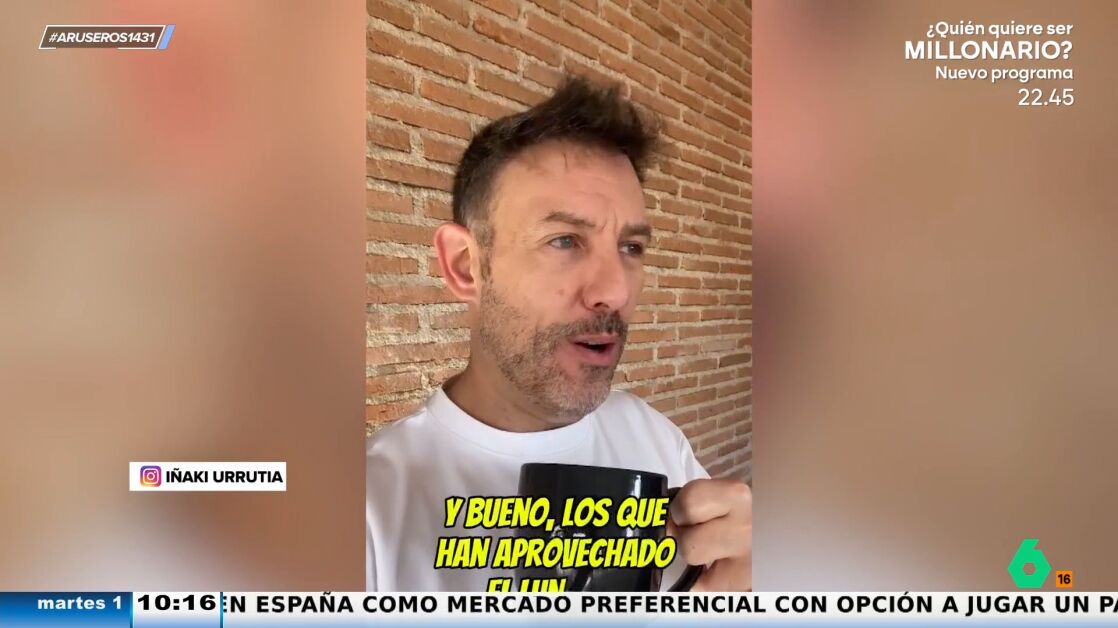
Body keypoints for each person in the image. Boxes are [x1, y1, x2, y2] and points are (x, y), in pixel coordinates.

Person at [366, 76, 751, 591]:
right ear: (464, 266)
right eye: (565, 240)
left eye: (631, 248)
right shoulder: (366, 510)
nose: (615, 291)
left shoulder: (655, 437)